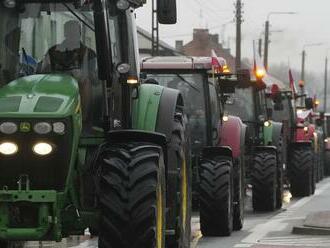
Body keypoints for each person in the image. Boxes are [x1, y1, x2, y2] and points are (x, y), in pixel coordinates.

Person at [40, 20, 97, 124]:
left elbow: (95, 78)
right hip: (55, 85)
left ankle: (83, 120)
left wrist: (82, 74)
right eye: (70, 32)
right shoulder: (52, 51)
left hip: (78, 87)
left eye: (75, 32)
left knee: (86, 82)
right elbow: (42, 73)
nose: (73, 34)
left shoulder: (89, 54)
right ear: (65, 33)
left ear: (79, 33)